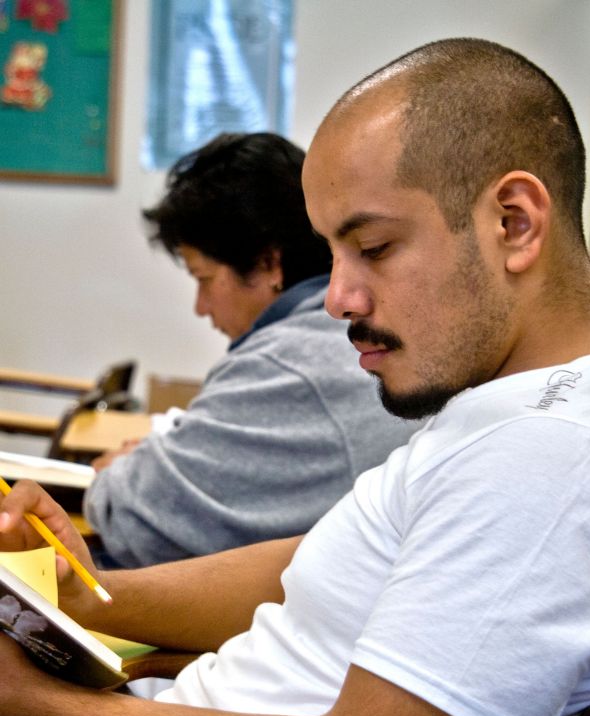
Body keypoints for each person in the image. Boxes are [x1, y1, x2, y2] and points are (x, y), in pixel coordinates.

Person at [0, 36, 590, 716]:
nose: (336, 297)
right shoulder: (511, 414)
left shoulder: (561, 454)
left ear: (515, 223)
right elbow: (310, 567)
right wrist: (79, 598)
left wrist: (34, 706)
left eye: (372, 246)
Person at [83, 131, 418, 567]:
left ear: (267, 264)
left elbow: (136, 521)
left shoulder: (286, 365)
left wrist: (119, 470)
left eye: (203, 279)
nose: (201, 308)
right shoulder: (348, 339)